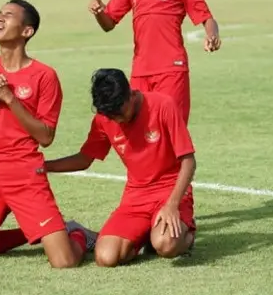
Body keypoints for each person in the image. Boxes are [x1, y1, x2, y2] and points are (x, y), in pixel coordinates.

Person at [0, 0, 97, 268]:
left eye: (8, 15)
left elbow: (45, 136)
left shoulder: (44, 76)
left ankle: (77, 234)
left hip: (26, 175)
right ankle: (37, 233)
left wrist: (9, 98)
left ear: (26, 31)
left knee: (65, 262)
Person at [45, 69, 197, 268]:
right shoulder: (104, 119)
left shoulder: (163, 105)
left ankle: (188, 235)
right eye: (111, 116)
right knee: (106, 257)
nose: (117, 120)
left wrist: (172, 205)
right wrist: (44, 166)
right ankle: (145, 237)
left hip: (170, 192)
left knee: (166, 245)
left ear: (130, 94)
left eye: (120, 112)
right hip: (136, 198)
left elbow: (189, 160)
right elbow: (84, 159)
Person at [87, 0, 220, 124]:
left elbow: (206, 18)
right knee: (142, 132)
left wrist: (212, 35)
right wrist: (99, 13)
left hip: (171, 69)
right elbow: (109, 24)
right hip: (140, 71)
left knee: (171, 131)